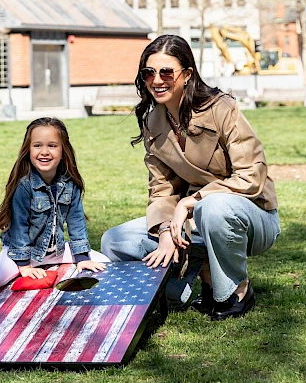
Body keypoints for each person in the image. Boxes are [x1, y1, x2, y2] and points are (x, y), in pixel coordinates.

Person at [101, 35, 280, 321]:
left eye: (166, 72)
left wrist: (190, 203)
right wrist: (163, 232)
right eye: (149, 73)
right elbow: (161, 190)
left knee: (215, 207)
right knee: (115, 241)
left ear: (186, 75)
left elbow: (251, 176)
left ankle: (235, 291)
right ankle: (181, 283)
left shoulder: (222, 108)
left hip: (252, 216)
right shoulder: (154, 122)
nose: (156, 80)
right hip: (195, 220)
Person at [0, 117, 107, 317]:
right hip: (22, 252)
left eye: (52, 145)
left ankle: (80, 307)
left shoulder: (70, 184)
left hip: (56, 249)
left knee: (104, 263)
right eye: (37, 145)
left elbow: (76, 222)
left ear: (63, 151)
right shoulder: (24, 187)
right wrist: (23, 266)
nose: (44, 152)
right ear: (28, 150)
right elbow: (19, 229)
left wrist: (82, 257)